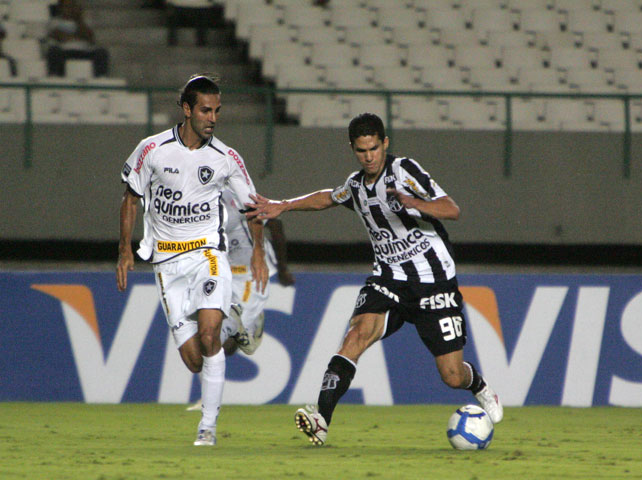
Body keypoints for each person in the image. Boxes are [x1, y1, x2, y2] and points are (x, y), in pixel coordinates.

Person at [247, 113, 503, 446]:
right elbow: (329, 197)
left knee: (452, 375)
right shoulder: (356, 185)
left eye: (373, 149)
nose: (368, 157)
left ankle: (479, 386)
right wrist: (284, 205)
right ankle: (321, 418)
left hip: (434, 281)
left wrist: (413, 203)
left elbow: (451, 209)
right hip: (388, 279)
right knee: (356, 335)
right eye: (361, 150)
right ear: (353, 148)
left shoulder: (404, 171)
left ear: (385, 143)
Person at [116, 73, 268, 446]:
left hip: (207, 254)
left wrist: (259, 254)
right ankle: (235, 324)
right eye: (205, 110)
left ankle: (207, 429)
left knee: (208, 334)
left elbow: (254, 206)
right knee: (195, 360)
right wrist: (124, 251)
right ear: (186, 109)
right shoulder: (151, 149)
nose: (212, 118)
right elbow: (130, 198)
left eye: (217, 110)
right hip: (167, 264)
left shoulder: (226, 158)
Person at [186, 192, 295, 411]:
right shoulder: (197, 202)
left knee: (223, 339)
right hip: (223, 273)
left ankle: (246, 327)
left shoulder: (240, 196)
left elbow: (275, 224)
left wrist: (282, 267)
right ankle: (208, 397)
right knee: (210, 336)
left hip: (251, 275)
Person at [45, 0, 109, 77]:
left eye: (71, 6)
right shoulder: (55, 22)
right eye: (66, 7)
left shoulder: (84, 21)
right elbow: (59, 36)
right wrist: (77, 36)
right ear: (60, 8)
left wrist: (79, 20)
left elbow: (90, 38)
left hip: (84, 51)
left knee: (102, 52)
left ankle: (101, 77)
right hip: (64, 52)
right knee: (53, 51)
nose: (69, 9)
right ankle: (54, 76)